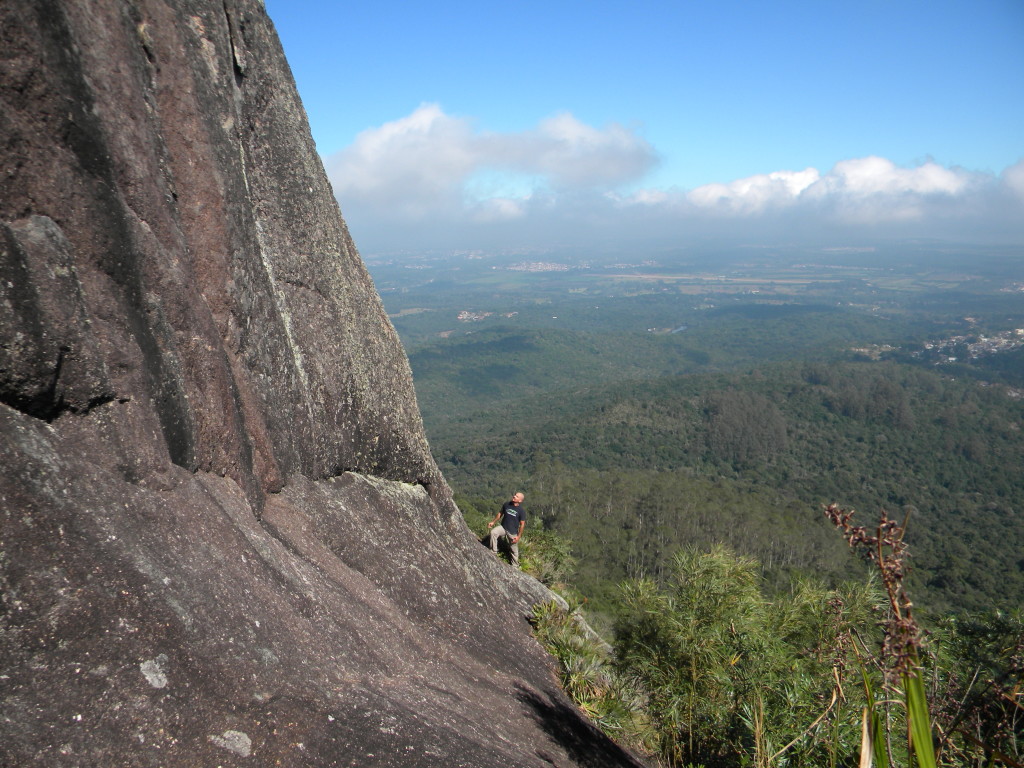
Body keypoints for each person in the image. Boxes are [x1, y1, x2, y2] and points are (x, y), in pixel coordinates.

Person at [487, 492, 527, 567]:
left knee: (514, 549)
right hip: (503, 527)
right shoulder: (507, 504)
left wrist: (518, 536)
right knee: (493, 532)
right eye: (515, 495)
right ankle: (493, 552)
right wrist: (493, 522)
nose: (514, 496)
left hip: (512, 532)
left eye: (517, 496)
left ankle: (515, 566)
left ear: (520, 500)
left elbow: (522, 524)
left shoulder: (521, 511)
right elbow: (500, 514)